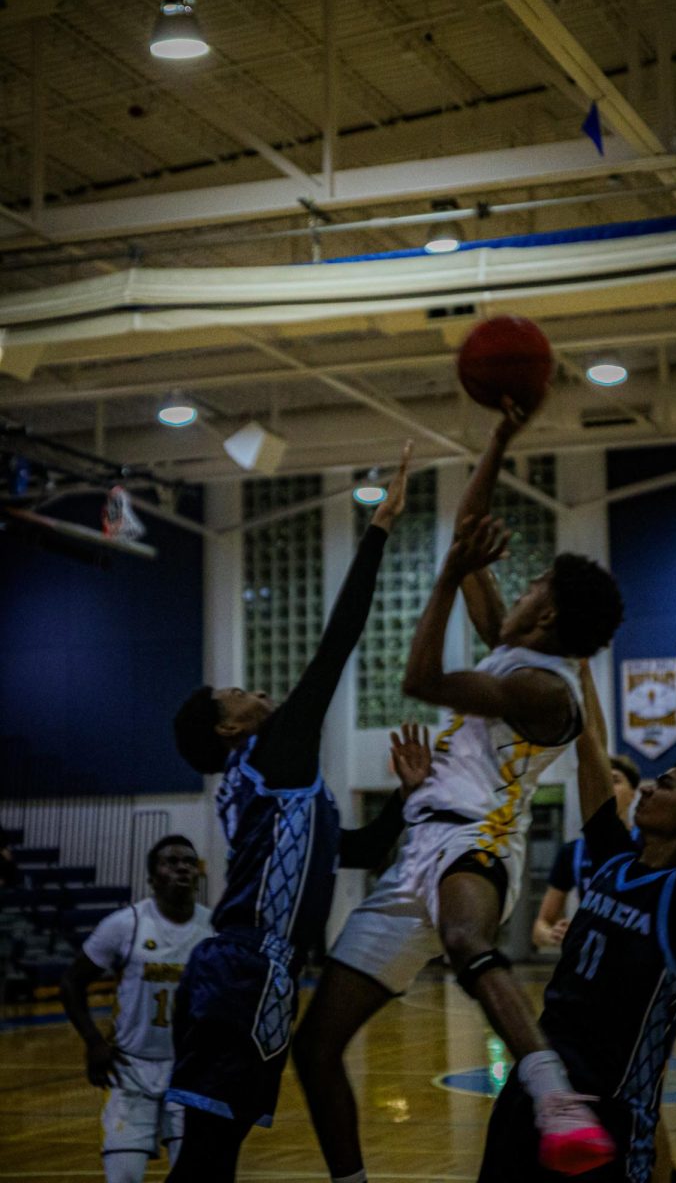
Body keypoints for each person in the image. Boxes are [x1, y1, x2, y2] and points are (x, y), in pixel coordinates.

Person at [293, 403, 625, 1182]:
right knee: (315, 1050)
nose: (519, 582)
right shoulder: (512, 649)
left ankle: (555, 1100)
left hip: (477, 843)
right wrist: (501, 438)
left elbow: (421, 680)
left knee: (472, 942)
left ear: (546, 610)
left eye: (534, 580)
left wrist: (448, 575)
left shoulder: (547, 691)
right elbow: (469, 528)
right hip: (421, 853)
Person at [164, 446, 417, 1183]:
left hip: (253, 972)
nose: (251, 691)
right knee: (209, 1156)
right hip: (246, 969)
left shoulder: (276, 782)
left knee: (217, 1152)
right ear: (229, 728)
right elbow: (337, 646)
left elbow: (361, 852)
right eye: (235, 693)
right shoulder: (276, 751)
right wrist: (380, 529)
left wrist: (406, 798)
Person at [475, 606, 676, 1183]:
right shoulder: (611, 858)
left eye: (666, 784)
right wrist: (581, 666)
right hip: (538, 1088)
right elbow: (588, 743)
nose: (648, 785)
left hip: (608, 1114)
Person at [60, 836, 212, 1183]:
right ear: (152, 877)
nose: (182, 868)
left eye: (189, 861)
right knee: (123, 1177)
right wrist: (94, 1042)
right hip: (130, 1067)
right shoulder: (124, 924)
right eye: (170, 862)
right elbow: (71, 983)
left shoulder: (212, 928)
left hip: (188, 1070)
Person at [533, 755, 640, 950]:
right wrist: (553, 934)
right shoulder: (573, 851)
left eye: (615, 780)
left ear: (633, 793)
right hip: (593, 959)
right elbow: (540, 928)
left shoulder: (650, 844)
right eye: (602, 782)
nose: (607, 788)